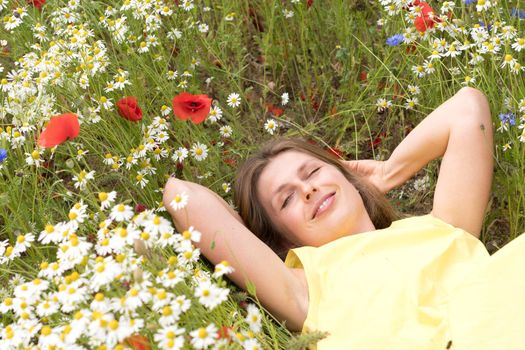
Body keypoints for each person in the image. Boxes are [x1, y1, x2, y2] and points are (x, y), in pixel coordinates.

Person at [163, 87, 525, 349]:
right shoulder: (302, 286)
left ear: (347, 176)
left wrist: (388, 172)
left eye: (312, 173)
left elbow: (467, 107)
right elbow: (183, 197)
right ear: (283, 240)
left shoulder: (445, 224)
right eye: (287, 199)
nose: (307, 190)